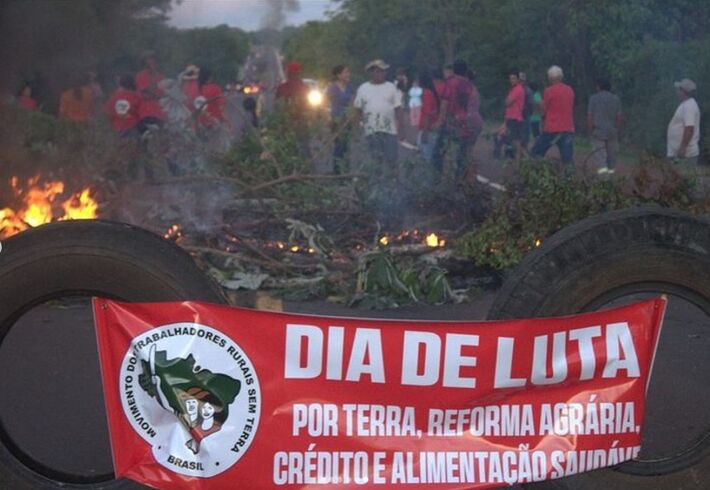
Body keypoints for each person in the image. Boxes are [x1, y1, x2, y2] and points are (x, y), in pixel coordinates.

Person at [353, 59, 404, 178]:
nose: (381, 74)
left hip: (389, 130)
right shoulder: (363, 88)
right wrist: (357, 128)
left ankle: (394, 184)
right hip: (372, 130)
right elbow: (358, 110)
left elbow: (398, 108)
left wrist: (401, 128)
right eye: (378, 71)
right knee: (376, 159)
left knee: (392, 159)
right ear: (371, 73)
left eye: (383, 71)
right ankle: (377, 184)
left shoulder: (391, 87)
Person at [435, 59, 480, 181]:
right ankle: (466, 179)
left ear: (454, 70)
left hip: (456, 123)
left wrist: (440, 121)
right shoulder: (470, 86)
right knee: (466, 152)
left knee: (442, 150)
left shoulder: (451, 83)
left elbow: (444, 103)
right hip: (472, 123)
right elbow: (475, 104)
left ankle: (440, 178)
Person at [531, 65, 575, 166]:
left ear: (550, 78)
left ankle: (535, 172)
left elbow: (543, 110)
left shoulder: (549, 91)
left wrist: (538, 106)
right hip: (567, 128)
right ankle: (569, 178)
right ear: (561, 77)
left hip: (552, 128)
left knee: (536, 152)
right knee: (567, 158)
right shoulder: (570, 90)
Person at [587, 78, 622, 174]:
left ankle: (603, 179)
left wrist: (590, 131)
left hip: (598, 132)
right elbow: (619, 117)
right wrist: (617, 130)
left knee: (601, 157)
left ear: (598, 87)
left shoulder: (593, 98)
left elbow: (590, 116)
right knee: (612, 158)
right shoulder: (616, 99)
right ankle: (610, 177)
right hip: (612, 132)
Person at [326, 65, 354, 172]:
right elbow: (327, 104)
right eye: (345, 72)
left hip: (347, 120)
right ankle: (337, 171)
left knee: (346, 146)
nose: (348, 74)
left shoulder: (350, 87)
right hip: (336, 120)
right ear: (339, 75)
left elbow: (352, 102)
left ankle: (345, 170)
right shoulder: (332, 88)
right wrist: (328, 118)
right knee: (338, 146)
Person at [667, 78, 700, 166]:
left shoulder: (689, 106)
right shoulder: (686, 104)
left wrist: (683, 147)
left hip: (685, 154)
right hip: (678, 152)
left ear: (683, 91)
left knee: (683, 178)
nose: (677, 92)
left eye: (679, 89)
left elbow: (689, 128)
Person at [497, 69, 525, 161]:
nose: (511, 81)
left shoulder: (517, 89)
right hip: (511, 118)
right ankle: (514, 159)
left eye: (513, 79)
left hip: (515, 119)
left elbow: (507, 102)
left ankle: (514, 160)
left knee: (512, 141)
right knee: (512, 140)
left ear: (518, 79)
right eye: (510, 79)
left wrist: (507, 100)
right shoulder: (515, 89)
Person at [135, 51, 166, 133]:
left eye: (153, 59)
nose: (151, 62)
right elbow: (143, 93)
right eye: (148, 60)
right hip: (145, 113)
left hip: (159, 113)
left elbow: (163, 94)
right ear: (144, 63)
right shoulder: (141, 76)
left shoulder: (160, 77)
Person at [417, 70, 440, 162]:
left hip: (428, 129)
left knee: (426, 157)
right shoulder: (432, 92)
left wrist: (425, 132)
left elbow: (427, 114)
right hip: (432, 129)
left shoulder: (427, 93)